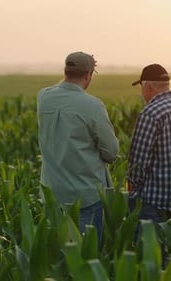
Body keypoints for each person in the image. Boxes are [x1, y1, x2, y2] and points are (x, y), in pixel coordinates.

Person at [37, 51, 119, 242]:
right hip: (85, 195)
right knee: (84, 260)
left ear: (65, 71)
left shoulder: (43, 97)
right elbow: (111, 151)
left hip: (52, 192)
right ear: (88, 75)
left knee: (55, 256)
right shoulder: (92, 105)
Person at [127, 63, 171, 224]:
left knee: (149, 248)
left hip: (154, 203)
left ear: (148, 87)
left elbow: (138, 162)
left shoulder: (151, 113)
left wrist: (131, 190)